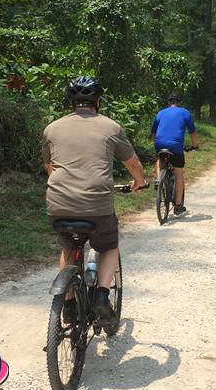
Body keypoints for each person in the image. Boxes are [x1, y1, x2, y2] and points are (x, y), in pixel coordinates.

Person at [41, 76, 148, 328]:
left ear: (70, 103)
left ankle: (67, 304)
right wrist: (139, 181)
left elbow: (50, 166)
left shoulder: (51, 128)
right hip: (97, 207)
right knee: (109, 246)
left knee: (68, 248)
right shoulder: (111, 127)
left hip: (58, 204)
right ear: (98, 101)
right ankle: (101, 295)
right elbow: (133, 164)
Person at [150, 93, 198, 215]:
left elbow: (153, 132)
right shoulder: (185, 112)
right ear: (179, 102)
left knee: (159, 159)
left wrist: (157, 143)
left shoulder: (160, 113)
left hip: (160, 144)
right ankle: (177, 206)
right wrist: (194, 145)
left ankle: (159, 179)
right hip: (176, 147)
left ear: (168, 102)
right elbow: (192, 132)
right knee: (178, 174)